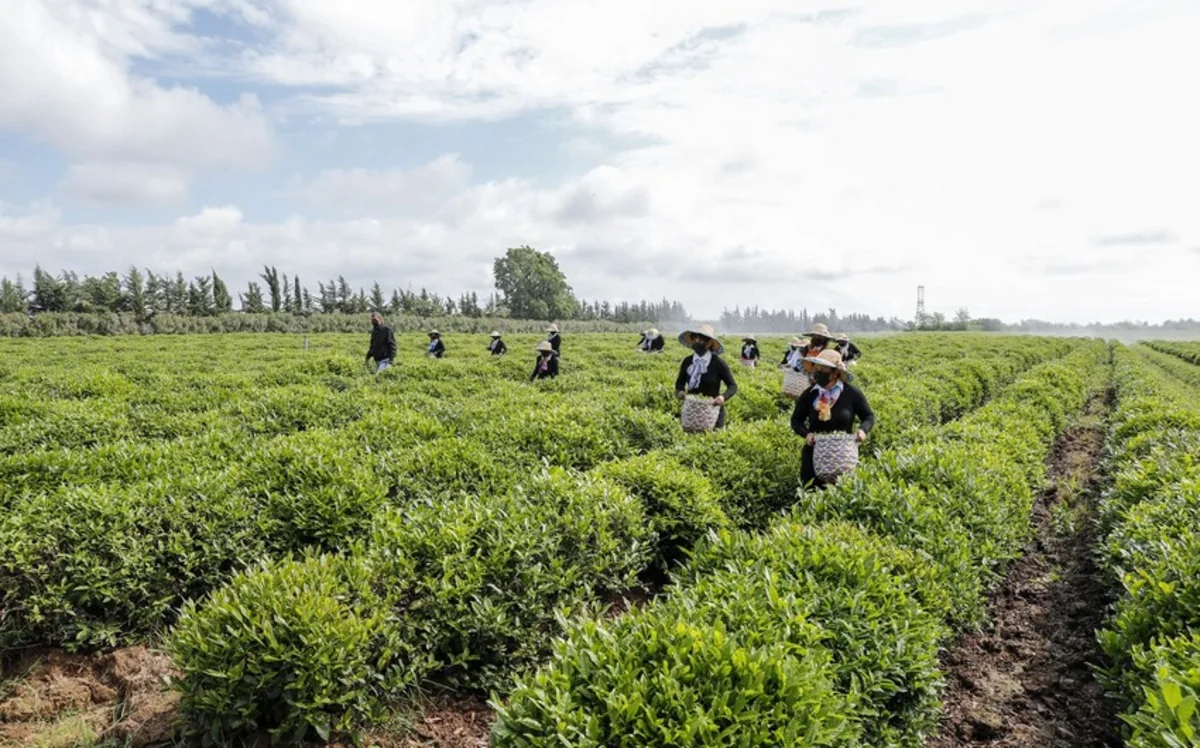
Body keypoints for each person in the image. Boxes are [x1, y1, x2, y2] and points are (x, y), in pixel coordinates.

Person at [790, 349, 874, 490]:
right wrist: (807, 434)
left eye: (822, 369)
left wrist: (862, 430)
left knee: (841, 492)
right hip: (815, 453)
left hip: (842, 454)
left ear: (835, 373)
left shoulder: (851, 393)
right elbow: (796, 420)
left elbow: (868, 416)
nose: (817, 372)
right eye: (816, 368)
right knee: (811, 493)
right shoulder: (810, 394)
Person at [674, 324, 738, 429]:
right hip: (692, 410)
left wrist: (722, 397)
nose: (697, 342)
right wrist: (680, 391)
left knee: (712, 436)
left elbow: (733, 386)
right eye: (695, 339)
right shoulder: (687, 361)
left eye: (701, 340)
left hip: (712, 409)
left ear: (709, 343)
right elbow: (680, 382)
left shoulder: (718, 363)